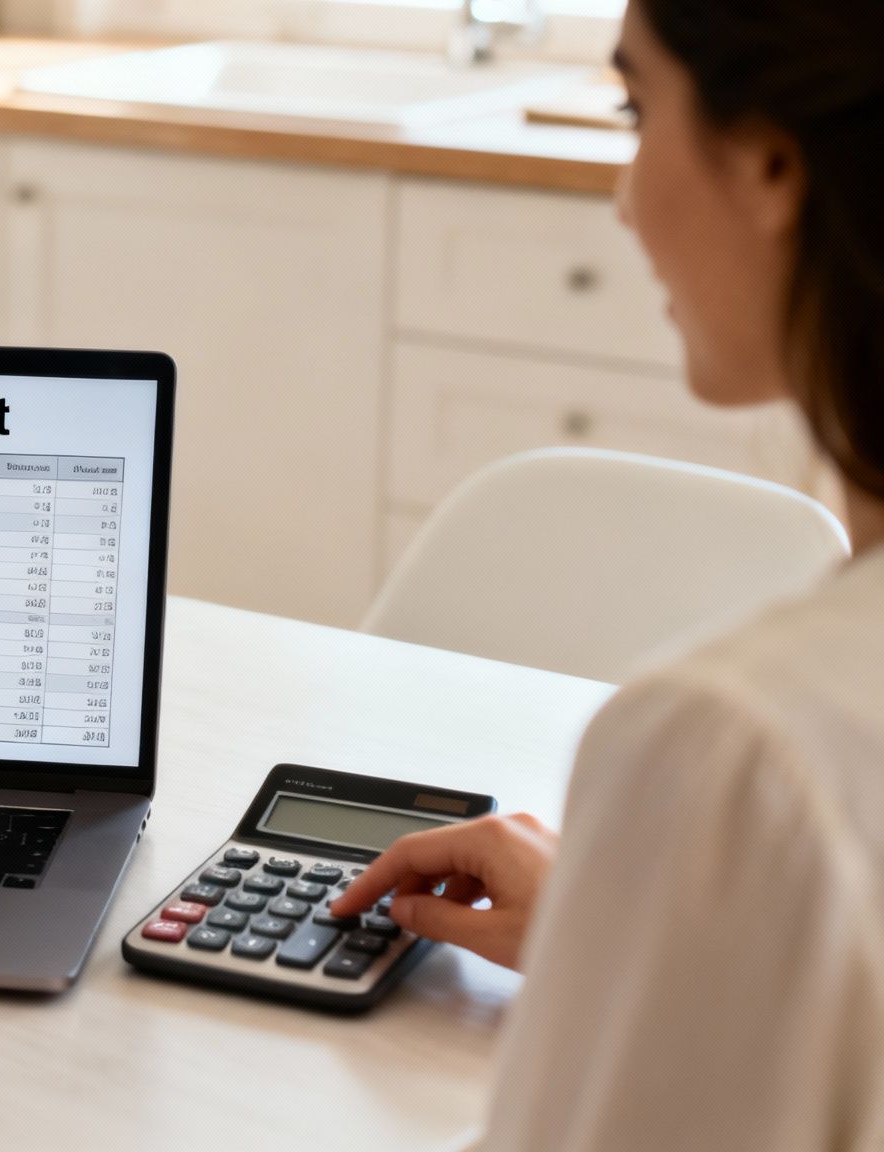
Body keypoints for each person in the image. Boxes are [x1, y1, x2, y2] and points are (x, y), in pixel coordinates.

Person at [329, 0, 883, 1146]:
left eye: (636, 110)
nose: (623, 200)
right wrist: (650, 936)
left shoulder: (731, 750)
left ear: (770, 163)